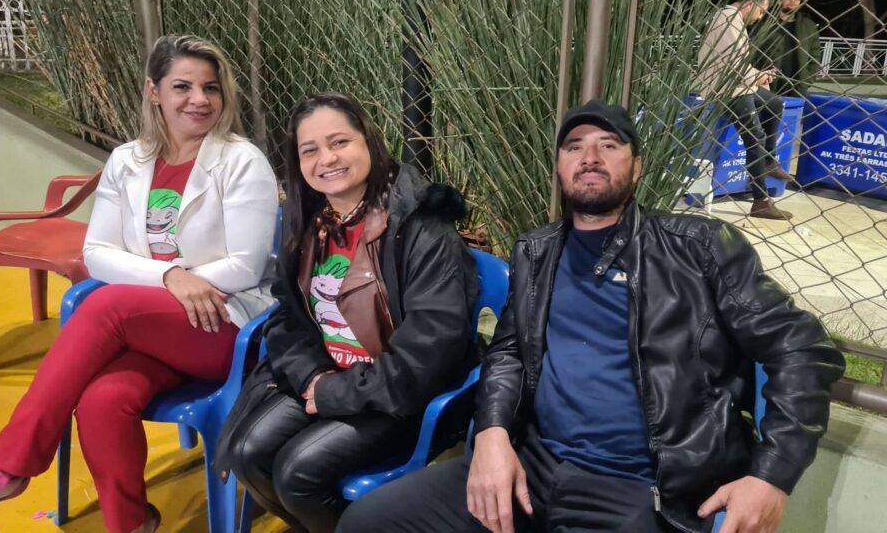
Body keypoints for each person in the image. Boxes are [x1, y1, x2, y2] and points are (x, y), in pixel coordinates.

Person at [336, 100, 845, 533]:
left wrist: (772, 475)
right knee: (367, 521)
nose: (590, 157)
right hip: (534, 466)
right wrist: (492, 433)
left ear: (637, 167)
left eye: (609, 145)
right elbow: (509, 352)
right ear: (560, 167)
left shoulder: (699, 247)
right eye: (574, 146)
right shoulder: (537, 251)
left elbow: (803, 350)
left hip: (641, 488)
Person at [0, 34, 279, 533]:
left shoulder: (241, 160)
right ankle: (131, 523)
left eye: (210, 88)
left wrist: (171, 285)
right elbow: (97, 253)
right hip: (151, 326)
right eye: (182, 86)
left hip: (224, 324)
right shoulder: (127, 160)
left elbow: (246, 267)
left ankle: (7, 466)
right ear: (154, 91)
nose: (199, 99)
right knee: (102, 400)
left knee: (108, 306)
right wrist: (169, 276)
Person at [213, 92, 479, 532]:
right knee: (247, 453)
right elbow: (288, 317)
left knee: (299, 473)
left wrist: (335, 393)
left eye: (339, 142)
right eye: (310, 150)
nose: (327, 159)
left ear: (368, 141)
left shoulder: (421, 229)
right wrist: (313, 378)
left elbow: (427, 356)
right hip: (330, 376)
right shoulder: (311, 220)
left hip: (401, 394)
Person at [696, 0, 796, 221]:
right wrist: (757, 77)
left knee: (775, 104)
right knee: (755, 137)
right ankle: (761, 201)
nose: (760, 18)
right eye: (761, 12)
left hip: (737, 83)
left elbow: (736, 63)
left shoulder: (734, 21)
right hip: (726, 89)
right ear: (750, 4)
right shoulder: (728, 20)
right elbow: (733, 66)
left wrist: (758, 75)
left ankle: (769, 160)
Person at [753, 0, 822, 98]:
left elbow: (815, 55)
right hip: (768, 82)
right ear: (779, 0)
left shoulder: (808, 26)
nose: (793, 0)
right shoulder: (764, 22)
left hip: (797, 85)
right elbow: (753, 51)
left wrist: (807, 79)